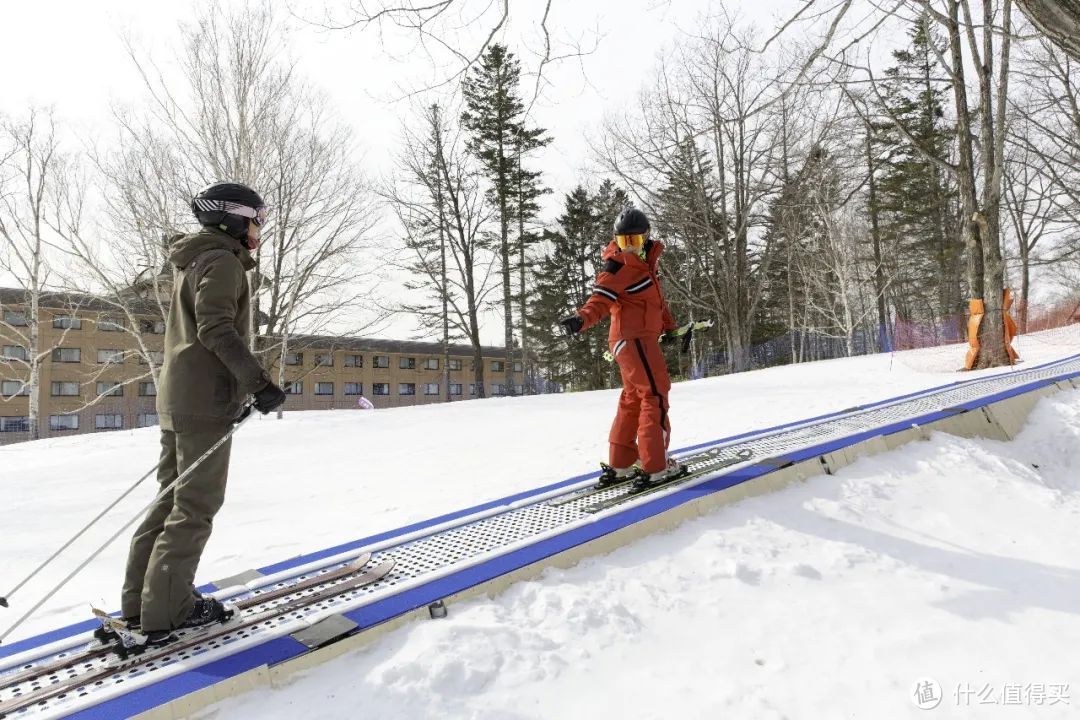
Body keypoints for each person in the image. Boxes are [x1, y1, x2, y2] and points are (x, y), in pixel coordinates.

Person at [119, 182, 287, 648]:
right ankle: (169, 612)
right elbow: (216, 329)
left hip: (180, 396)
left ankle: (141, 606)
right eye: (257, 218)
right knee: (194, 507)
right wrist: (260, 383)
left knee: (170, 502)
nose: (259, 228)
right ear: (233, 218)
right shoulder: (223, 261)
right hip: (203, 402)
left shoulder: (195, 259)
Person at [560, 208, 685, 490]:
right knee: (654, 394)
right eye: (623, 241)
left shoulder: (645, 266)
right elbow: (600, 300)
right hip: (635, 339)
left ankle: (621, 464)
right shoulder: (618, 266)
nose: (629, 247)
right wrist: (581, 320)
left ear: (646, 238)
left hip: (632, 340)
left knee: (633, 398)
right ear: (615, 241)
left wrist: (668, 326)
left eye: (635, 241)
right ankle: (656, 467)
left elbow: (655, 303)